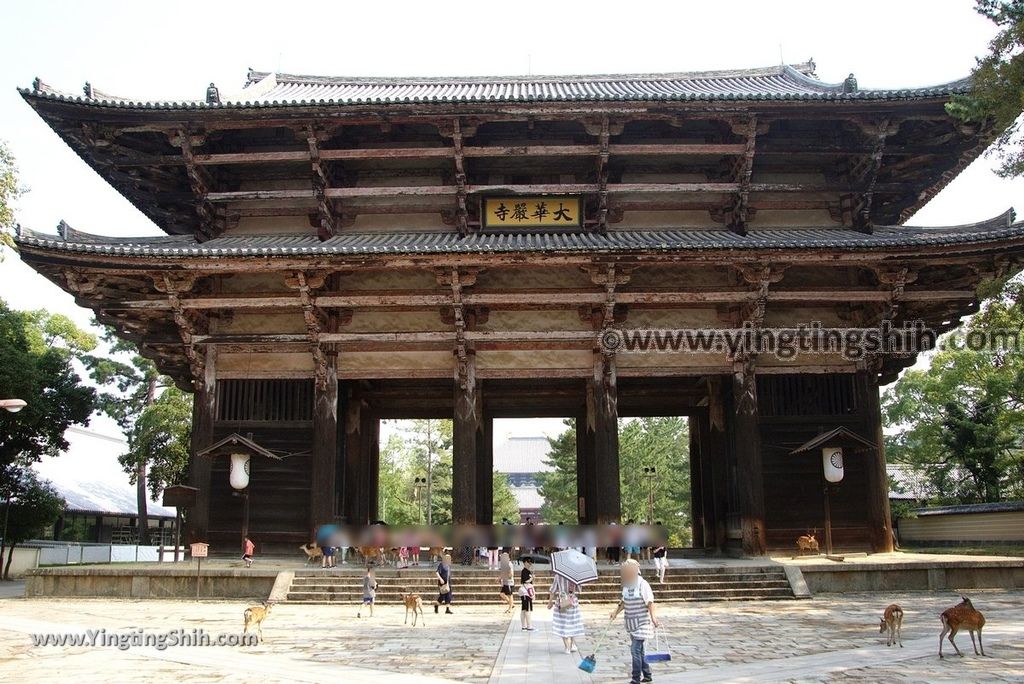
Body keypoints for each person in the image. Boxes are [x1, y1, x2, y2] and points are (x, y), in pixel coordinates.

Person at [610, 559, 658, 684]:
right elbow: (624, 601)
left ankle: (635, 678)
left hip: (642, 623)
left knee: (635, 650)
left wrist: (653, 618)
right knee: (640, 651)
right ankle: (647, 675)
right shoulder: (627, 585)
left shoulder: (643, 584)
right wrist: (615, 612)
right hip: (631, 622)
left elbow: (650, 602)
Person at [548, 575, 584, 654]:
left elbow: (553, 590)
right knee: (573, 623)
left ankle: (567, 647)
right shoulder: (574, 575)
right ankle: (572, 644)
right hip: (572, 601)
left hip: (562, 601)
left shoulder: (558, 575)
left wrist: (550, 602)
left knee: (563, 624)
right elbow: (579, 590)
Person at [519, 557, 535, 630]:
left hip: (526, 592)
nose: (530, 564)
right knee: (527, 609)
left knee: (524, 609)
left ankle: (524, 626)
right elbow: (525, 581)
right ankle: (529, 626)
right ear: (525, 562)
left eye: (531, 562)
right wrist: (532, 578)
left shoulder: (527, 571)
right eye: (529, 562)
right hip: (526, 592)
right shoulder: (524, 571)